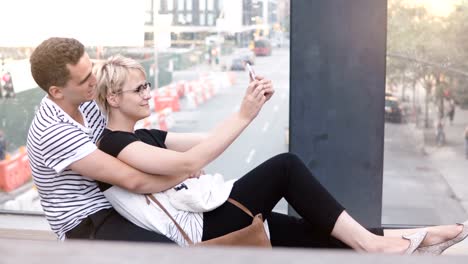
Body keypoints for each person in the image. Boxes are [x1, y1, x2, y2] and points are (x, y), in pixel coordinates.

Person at [93, 54, 467, 254]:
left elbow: (208, 140)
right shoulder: (114, 144)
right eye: (139, 89)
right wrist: (244, 114)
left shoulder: (147, 135)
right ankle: (379, 244)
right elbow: (189, 162)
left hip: (213, 212)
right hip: (201, 230)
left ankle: (414, 239)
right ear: (113, 98)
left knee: (315, 230)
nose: (148, 94)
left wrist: (248, 107)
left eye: (148, 85)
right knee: (285, 167)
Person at [27, 37, 181, 243]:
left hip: (116, 199)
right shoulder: (52, 130)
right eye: (84, 80)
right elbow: (133, 180)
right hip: (87, 221)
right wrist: (185, 172)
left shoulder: (86, 102)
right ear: (57, 91)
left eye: (91, 69)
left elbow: (120, 143)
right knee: (167, 250)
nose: (94, 80)